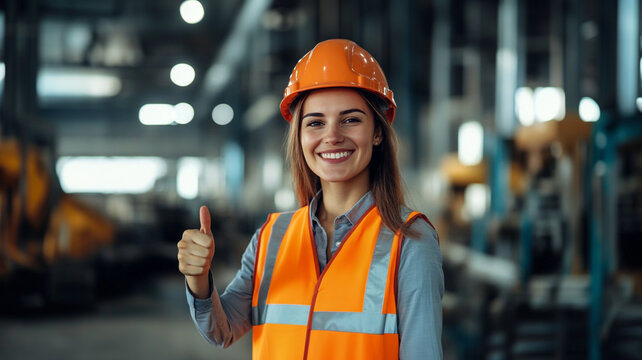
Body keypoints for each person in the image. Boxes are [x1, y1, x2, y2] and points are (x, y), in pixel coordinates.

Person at [177, 39, 444, 360]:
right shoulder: (271, 236)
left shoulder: (411, 241)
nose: (332, 135)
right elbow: (223, 330)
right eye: (315, 122)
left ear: (377, 132)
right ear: (300, 137)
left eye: (351, 119)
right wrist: (198, 279)